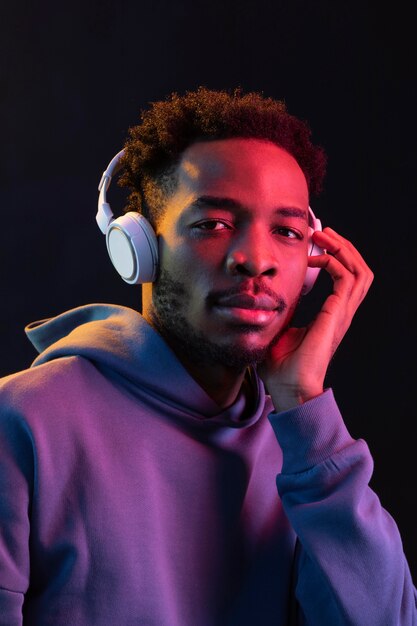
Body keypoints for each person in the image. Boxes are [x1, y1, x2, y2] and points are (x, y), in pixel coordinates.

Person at [0, 86, 415, 626]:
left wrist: (304, 407)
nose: (257, 261)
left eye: (287, 232)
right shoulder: (22, 421)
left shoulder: (300, 444)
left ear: (314, 266)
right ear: (137, 248)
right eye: (214, 225)